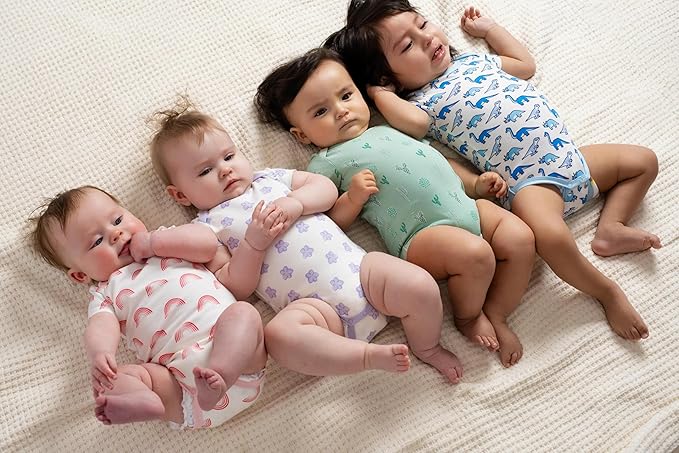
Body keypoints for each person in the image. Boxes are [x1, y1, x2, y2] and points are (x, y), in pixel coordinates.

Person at [327, 0, 660, 341]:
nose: (426, 38)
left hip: (571, 158)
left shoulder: (473, 61)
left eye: (422, 24)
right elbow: (414, 125)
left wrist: (491, 31)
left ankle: (611, 228)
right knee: (551, 237)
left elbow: (524, 65)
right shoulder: (422, 102)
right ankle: (606, 291)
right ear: (388, 79)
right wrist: (378, 94)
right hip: (530, 181)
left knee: (643, 161)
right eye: (407, 45)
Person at [148, 101, 467, 383]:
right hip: (316, 313)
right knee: (278, 337)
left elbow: (325, 188)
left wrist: (296, 203)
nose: (225, 170)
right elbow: (235, 286)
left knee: (419, 285)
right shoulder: (207, 228)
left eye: (229, 156)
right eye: (205, 170)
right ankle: (365, 356)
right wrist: (253, 245)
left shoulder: (270, 179)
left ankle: (427, 346)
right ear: (180, 195)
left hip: (362, 274)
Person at [255, 48, 536, 368]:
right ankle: (468, 317)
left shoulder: (387, 127)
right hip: (422, 235)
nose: (341, 111)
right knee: (477, 255)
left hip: (468, 206)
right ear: (302, 135)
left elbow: (437, 160)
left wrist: (475, 184)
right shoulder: (326, 162)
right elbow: (328, 224)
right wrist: (353, 198)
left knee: (521, 238)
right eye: (321, 111)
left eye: (346, 96)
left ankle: (497, 313)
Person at [28, 185, 271, 429]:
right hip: (181, 388)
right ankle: (146, 401)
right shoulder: (105, 293)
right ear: (81, 275)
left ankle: (220, 374)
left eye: (118, 220)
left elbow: (208, 244)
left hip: (237, 359)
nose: (116, 233)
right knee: (121, 377)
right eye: (97, 241)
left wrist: (155, 243)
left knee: (244, 313)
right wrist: (101, 353)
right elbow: (100, 326)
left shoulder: (168, 241)